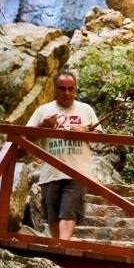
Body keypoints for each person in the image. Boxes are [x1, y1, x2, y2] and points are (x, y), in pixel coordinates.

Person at [25, 70, 100, 241]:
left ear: (75, 89)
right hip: (50, 172)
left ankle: (63, 245)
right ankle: (58, 246)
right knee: (52, 215)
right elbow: (27, 136)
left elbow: (99, 135)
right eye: (62, 89)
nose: (67, 93)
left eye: (70, 89)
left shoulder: (85, 109)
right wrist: (44, 127)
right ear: (55, 89)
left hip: (77, 172)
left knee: (68, 210)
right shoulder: (43, 110)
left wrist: (84, 130)